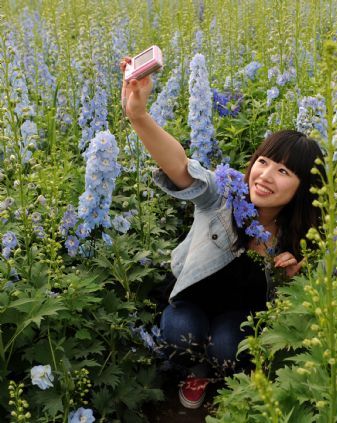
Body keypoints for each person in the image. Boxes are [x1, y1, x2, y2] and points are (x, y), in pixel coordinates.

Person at [119, 57, 325, 409]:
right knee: (182, 333)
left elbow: (287, 309)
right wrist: (139, 116)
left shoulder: (298, 239)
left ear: (303, 188)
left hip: (239, 316)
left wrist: (292, 279)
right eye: (263, 161)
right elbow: (182, 168)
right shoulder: (223, 196)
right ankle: (192, 366)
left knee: (231, 348)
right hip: (193, 301)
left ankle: (220, 376)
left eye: (284, 171)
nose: (266, 175)